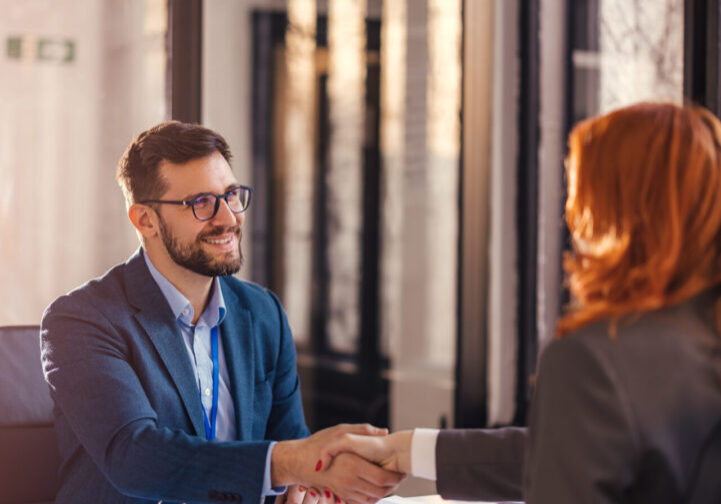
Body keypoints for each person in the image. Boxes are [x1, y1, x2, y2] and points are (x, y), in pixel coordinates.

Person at [320, 102, 721, 503]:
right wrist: (407, 451)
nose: (572, 215)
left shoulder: (594, 362)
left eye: (578, 192)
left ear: (610, 212)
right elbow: (589, 448)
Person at [40, 121, 403, 504]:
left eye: (231, 196)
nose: (228, 218)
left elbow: (292, 444)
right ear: (146, 220)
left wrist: (306, 486)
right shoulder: (81, 320)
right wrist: (291, 462)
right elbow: (135, 458)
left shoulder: (263, 313)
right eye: (201, 203)